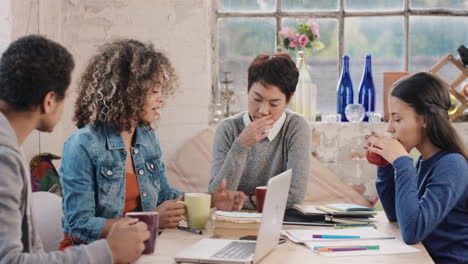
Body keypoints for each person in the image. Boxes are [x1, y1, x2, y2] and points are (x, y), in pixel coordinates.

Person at [59, 39, 246, 249]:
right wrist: (151, 219)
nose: (162, 100)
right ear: (129, 93)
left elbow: (165, 195)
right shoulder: (83, 144)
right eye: (155, 92)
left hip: (135, 249)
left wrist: (212, 201)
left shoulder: (146, 137)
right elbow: (80, 226)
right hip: (91, 254)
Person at [0, 35, 149, 263]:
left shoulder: (10, 144)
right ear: (49, 101)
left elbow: (29, 253)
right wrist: (109, 252)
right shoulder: (4, 158)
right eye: (65, 98)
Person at [367, 72, 468, 263]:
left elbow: (412, 231)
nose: (389, 127)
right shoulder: (424, 160)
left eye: (397, 119)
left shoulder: (452, 165)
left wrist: (403, 164)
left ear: (425, 119)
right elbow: (396, 216)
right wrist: (385, 164)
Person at [208, 53, 311, 208]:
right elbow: (217, 196)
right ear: (247, 90)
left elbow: (294, 197)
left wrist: (241, 203)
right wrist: (241, 145)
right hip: (232, 221)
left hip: (278, 222)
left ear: (288, 100)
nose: (263, 110)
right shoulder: (227, 128)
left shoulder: (296, 127)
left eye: (274, 103)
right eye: (256, 99)